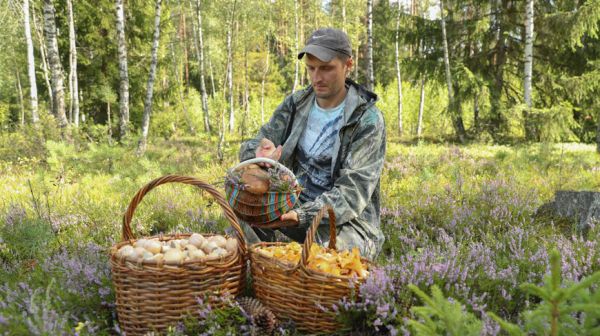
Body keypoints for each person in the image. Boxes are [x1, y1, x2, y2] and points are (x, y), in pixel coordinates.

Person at [238, 27, 386, 260]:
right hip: (291, 206)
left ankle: (281, 267)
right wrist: (257, 152)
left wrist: (301, 215)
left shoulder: (367, 120)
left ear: (348, 65)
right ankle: (262, 274)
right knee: (239, 218)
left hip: (346, 223)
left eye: (326, 68)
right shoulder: (297, 103)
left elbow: (352, 193)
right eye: (311, 68)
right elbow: (256, 141)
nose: (317, 77)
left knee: (324, 257)